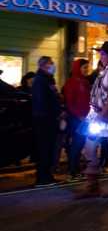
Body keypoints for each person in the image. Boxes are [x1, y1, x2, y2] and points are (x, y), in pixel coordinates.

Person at [76, 41, 108, 199]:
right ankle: (92, 186)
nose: (101, 56)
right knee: (89, 148)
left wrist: (103, 115)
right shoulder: (105, 70)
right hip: (96, 115)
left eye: (103, 53)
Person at [31, 56, 62, 187]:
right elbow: (41, 102)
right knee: (44, 149)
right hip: (44, 121)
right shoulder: (40, 80)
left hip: (50, 120)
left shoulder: (48, 79)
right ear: (44, 65)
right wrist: (48, 117)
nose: (53, 65)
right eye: (51, 63)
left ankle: (47, 176)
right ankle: (42, 178)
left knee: (49, 149)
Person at [62, 59, 91, 181]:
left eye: (87, 67)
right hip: (76, 119)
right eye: (84, 67)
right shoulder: (71, 83)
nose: (86, 70)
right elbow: (70, 102)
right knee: (76, 145)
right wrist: (79, 116)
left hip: (85, 118)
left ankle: (76, 170)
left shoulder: (85, 82)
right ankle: (72, 171)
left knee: (80, 145)